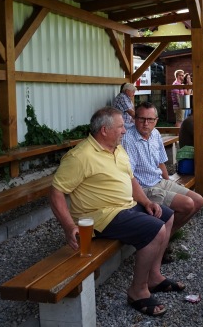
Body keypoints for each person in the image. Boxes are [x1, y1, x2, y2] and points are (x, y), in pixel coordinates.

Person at [49, 107, 182, 318]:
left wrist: (146, 202)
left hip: (125, 207)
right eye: (120, 126)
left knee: (166, 215)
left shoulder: (117, 149)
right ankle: (137, 291)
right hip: (100, 217)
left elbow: (130, 180)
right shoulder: (79, 157)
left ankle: (154, 276)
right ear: (104, 130)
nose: (124, 131)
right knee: (154, 229)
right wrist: (68, 226)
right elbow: (56, 193)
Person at [124, 102, 203, 234]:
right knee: (188, 204)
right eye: (142, 119)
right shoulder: (128, 139)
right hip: (144, 188)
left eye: (150, 119)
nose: (146, 123)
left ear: (156, 121)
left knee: (198, 201)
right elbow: (129, 176)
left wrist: (169, 181)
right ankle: (160, 239)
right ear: (135, 119)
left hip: (159, 181)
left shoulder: (155, 134)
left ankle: (165, 237)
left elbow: (160, 163)